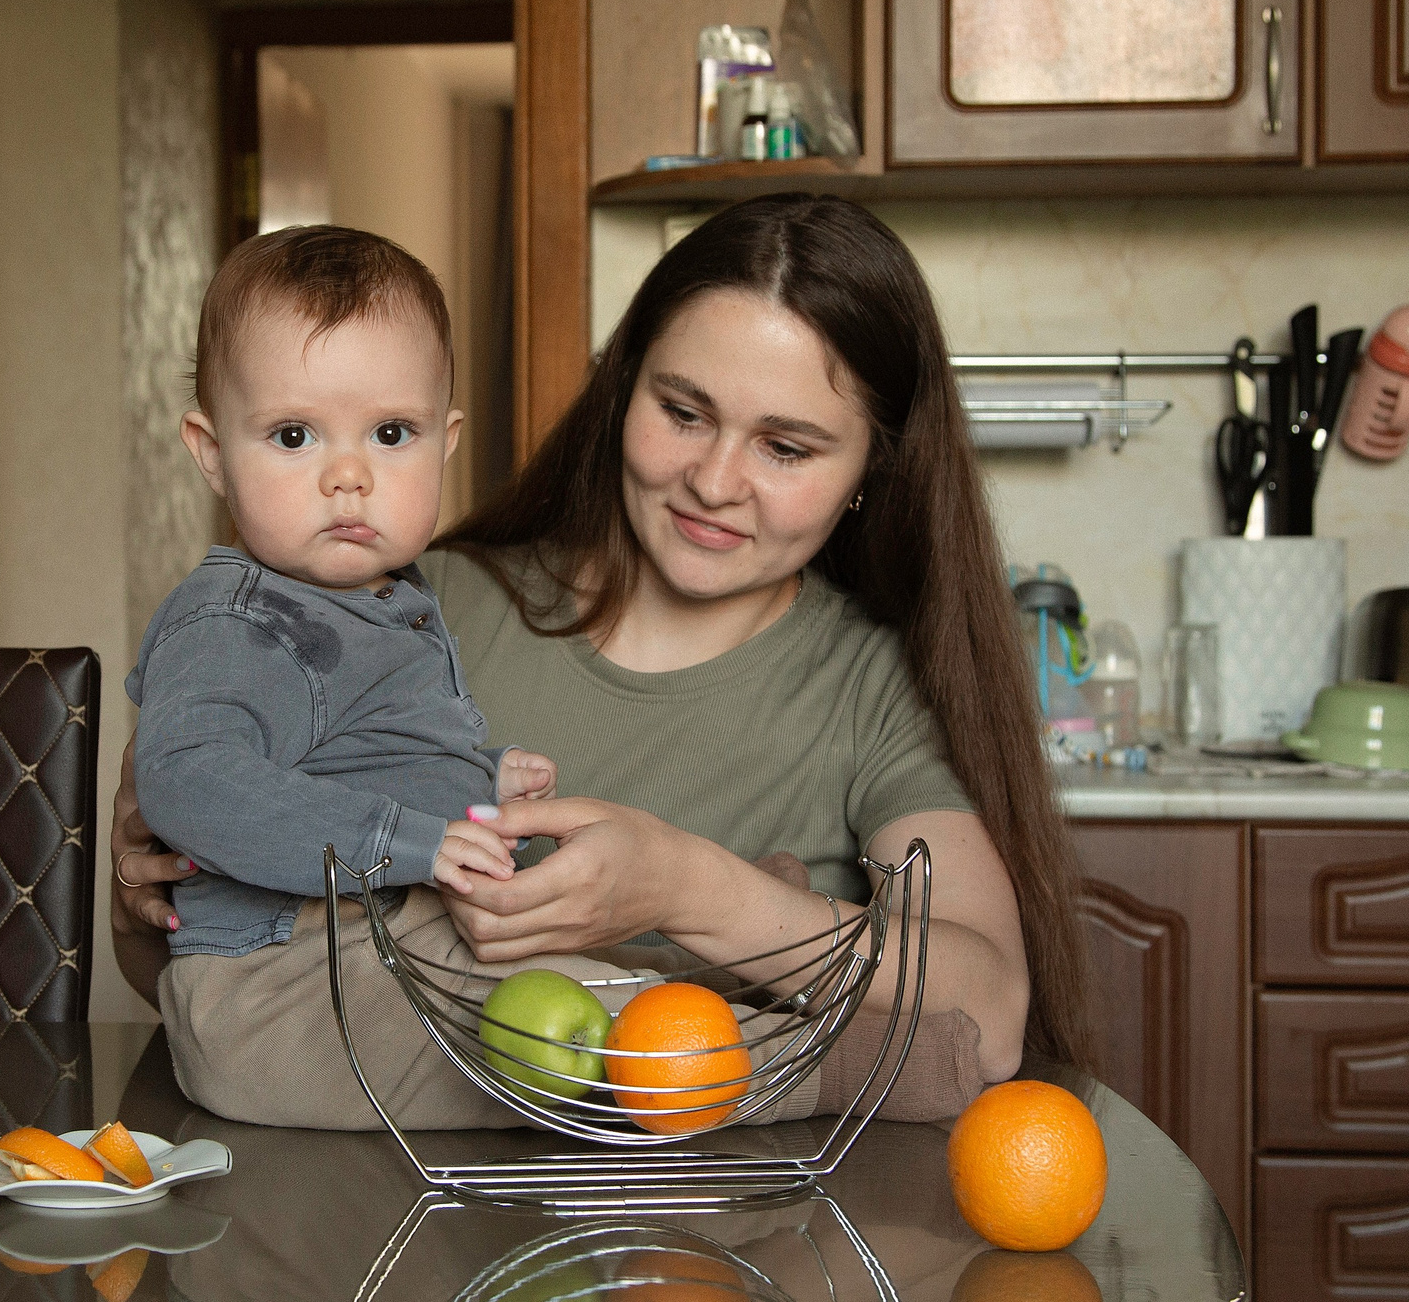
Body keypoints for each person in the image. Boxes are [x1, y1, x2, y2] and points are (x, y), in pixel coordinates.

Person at [113, 193, 1096, 1128]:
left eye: (786, 448)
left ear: (869, 473)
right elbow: (183, 950)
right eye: (682, 411)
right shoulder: (404, 603)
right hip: (391, 1234)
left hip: (745, 1257)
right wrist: (154, 864)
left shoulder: (872, 686)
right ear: (619, 387)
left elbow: (988, 1013)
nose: (714, 481)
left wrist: (693, 891)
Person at [126, 225, 566, 1123]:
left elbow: (350, 755)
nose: (350, 476)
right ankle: (775, 1046)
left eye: (391, 433)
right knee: (557, 1051)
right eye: (294, 435)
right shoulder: (239, 621)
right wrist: (415, 841)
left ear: (444, 444)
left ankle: (721, 981)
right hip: (275, 990)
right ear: (211, 453)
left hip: (367, 953)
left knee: (561, 985)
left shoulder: (380, 601)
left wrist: (480, 780)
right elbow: (189, 778)